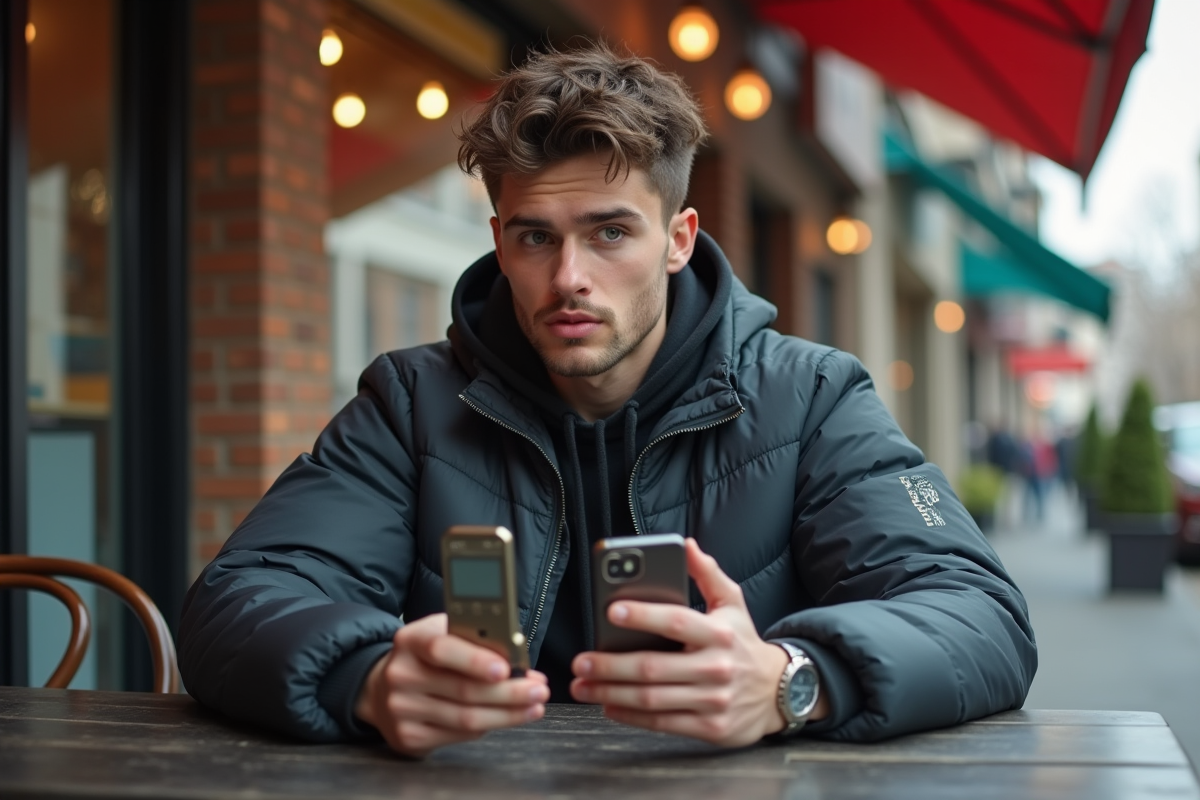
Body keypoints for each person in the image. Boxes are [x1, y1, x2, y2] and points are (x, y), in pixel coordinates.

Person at [178, 43, 1036, 758]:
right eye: (536, 238)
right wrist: (363, 679)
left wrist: (790, 681)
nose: (569, 278)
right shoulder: (411, 403)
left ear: (678, 238)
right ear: (499, 243)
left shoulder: (810, 397)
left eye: (610, 232)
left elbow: (979, 614)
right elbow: (237, 599)